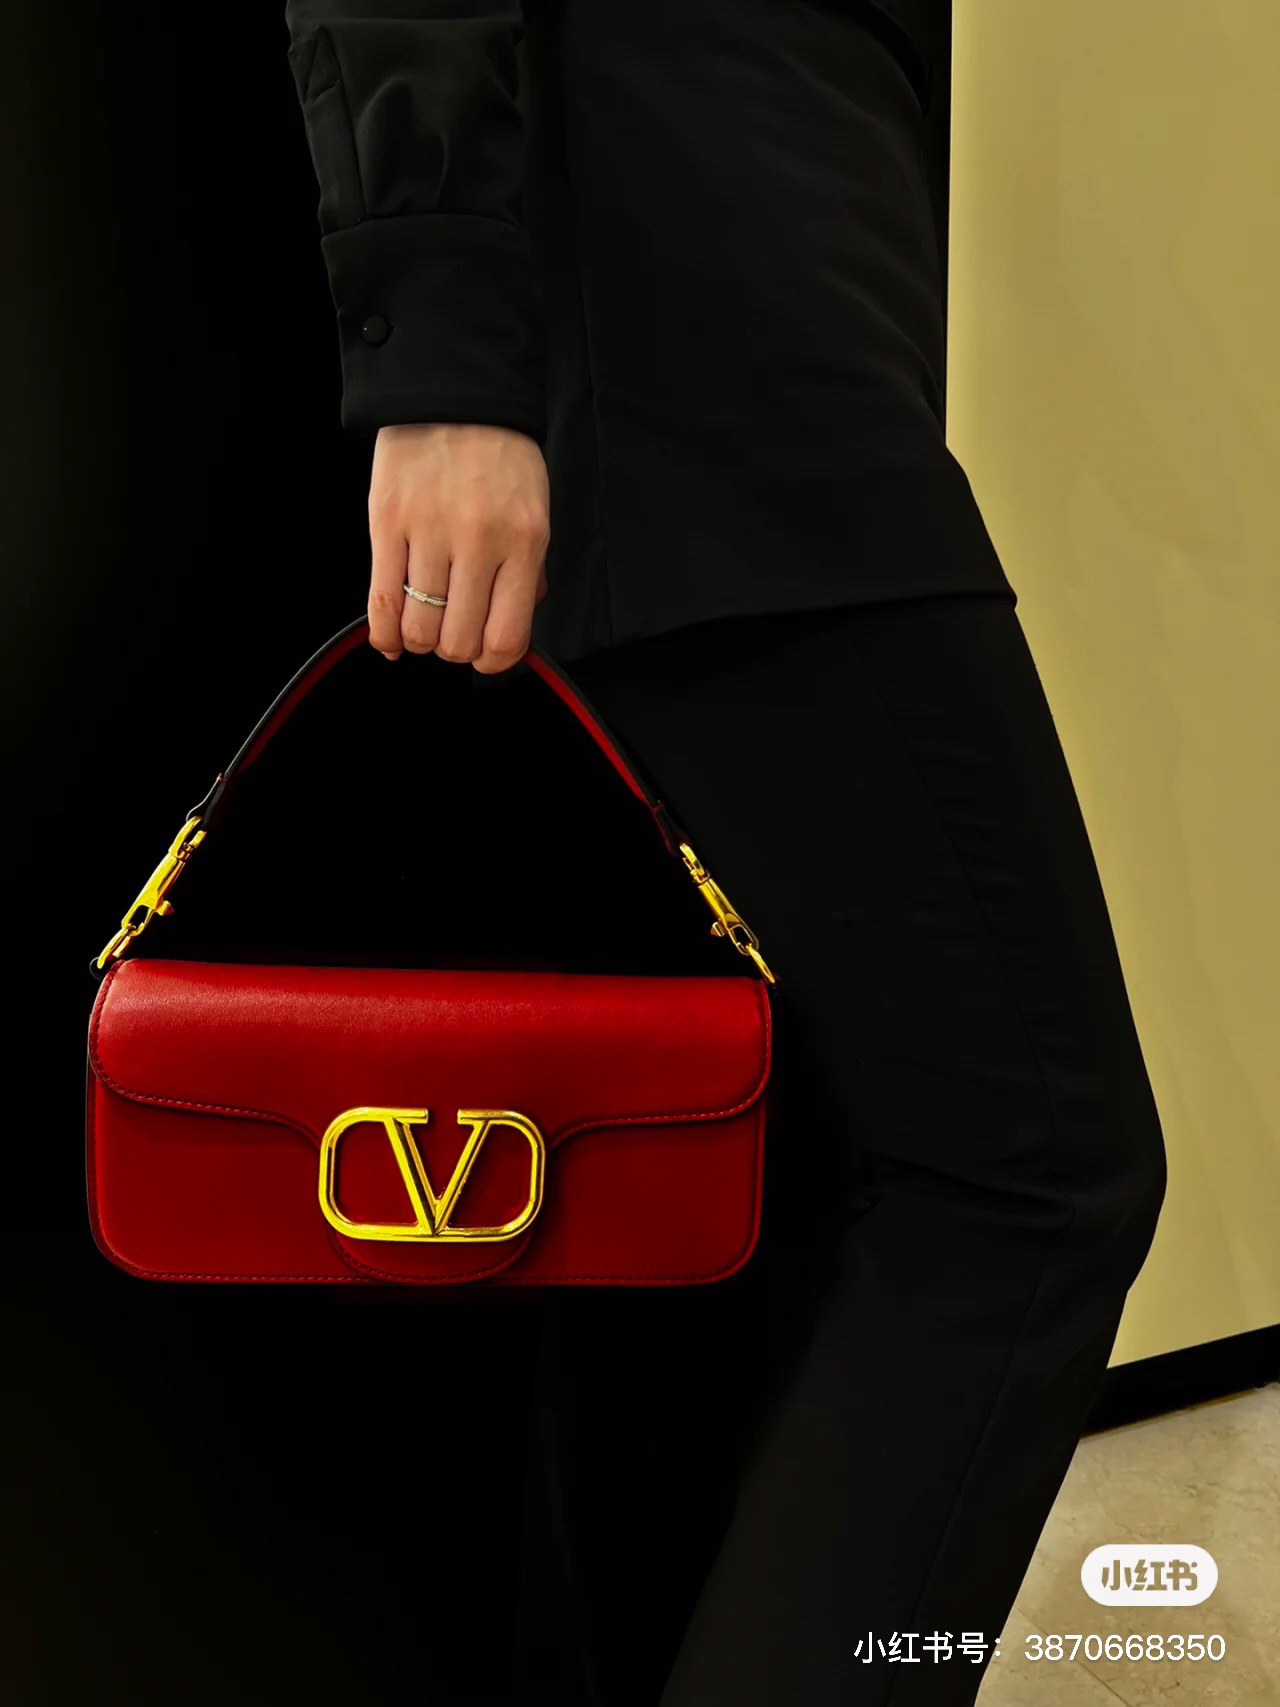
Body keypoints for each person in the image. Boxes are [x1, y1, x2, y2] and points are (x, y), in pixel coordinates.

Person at [282, 2, 1168, 1702]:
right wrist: (445, 357)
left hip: (751, 271)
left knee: (706, 1196)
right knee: (1035, 1173)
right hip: (699, 301)